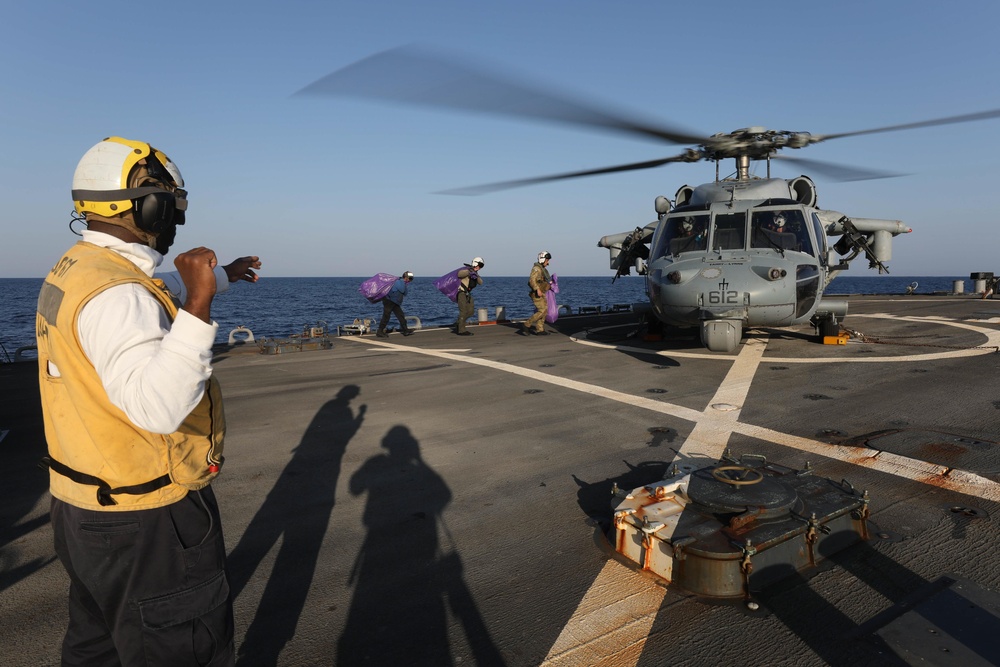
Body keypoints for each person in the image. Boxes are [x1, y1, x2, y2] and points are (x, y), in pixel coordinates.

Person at [35, 136, 260, 666]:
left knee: (98, 647)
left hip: (83, 506)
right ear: (146, 204)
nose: (176, 213)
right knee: (182, 648)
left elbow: (138, 317)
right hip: (145, 517)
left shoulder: (80, 267)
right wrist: (201, 301)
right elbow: (157, 406)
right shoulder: (121, 293)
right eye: (171, 200)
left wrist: (219, 277)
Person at [522, 251, 552, 335]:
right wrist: (537, 289)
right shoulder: (536, 269)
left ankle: (540, 329)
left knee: (544, 310)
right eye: (547, 260)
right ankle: (526, 324)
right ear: (542, 259)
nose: (548, 262)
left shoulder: (543, 270)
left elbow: (543, 280)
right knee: (542, 310)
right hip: (537, 293)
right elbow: (532, 280)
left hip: (542, 292)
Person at [376, 271, 414, 337]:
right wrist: (405, 284)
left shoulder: (401, 282)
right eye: (410, 278)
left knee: (401, 315)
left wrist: (405, 284)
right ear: (406, 277)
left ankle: (405, 330)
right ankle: (380, 331)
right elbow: (403, 291)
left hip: (394, 302)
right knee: (386, 316)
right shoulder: (399, 282)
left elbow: (405, 293)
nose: (410, 280)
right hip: (389, 301)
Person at [454, 257, 484, 336]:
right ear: (475, 263)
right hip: (461, 293)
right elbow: (459, 274)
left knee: (471, 312)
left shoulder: (475, 273)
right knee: (463, 311)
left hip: (468, 294)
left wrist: (476, 275)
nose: (479, 267)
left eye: (481, 266)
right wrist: (469, 272)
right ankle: (461, 330)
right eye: (479, 265)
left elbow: (481, 282)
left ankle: (458, 323)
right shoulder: (467, 270)